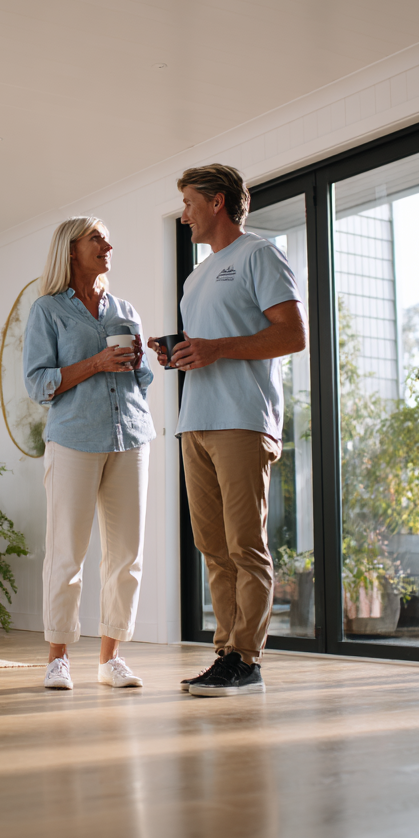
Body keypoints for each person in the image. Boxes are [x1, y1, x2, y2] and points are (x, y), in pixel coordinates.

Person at [153, 164, 307, 697]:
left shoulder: (259, 255)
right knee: (212, 548)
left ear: (217, 203)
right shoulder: (196, 275)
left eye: (190, 203)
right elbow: (210, 344)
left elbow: (292, 334)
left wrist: (216, 349)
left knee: (245, 546)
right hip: (194, 420)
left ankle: (247, 657)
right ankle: (226, 655)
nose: (184, 213)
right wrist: (181, 352)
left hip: (243, 419)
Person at [23, 216, 156, 690]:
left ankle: (110, 659)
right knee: (67, 553)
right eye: (96, 238)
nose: (107, 245)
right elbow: (39, 383)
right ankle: (58, 657)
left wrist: (141, 362)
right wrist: (96, 362)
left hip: (132, 436)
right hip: (74, 438)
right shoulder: (47, 311)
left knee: (126, 556)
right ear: (71, 250)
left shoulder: (124, 309)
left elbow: (143, 383)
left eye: (106, 238)